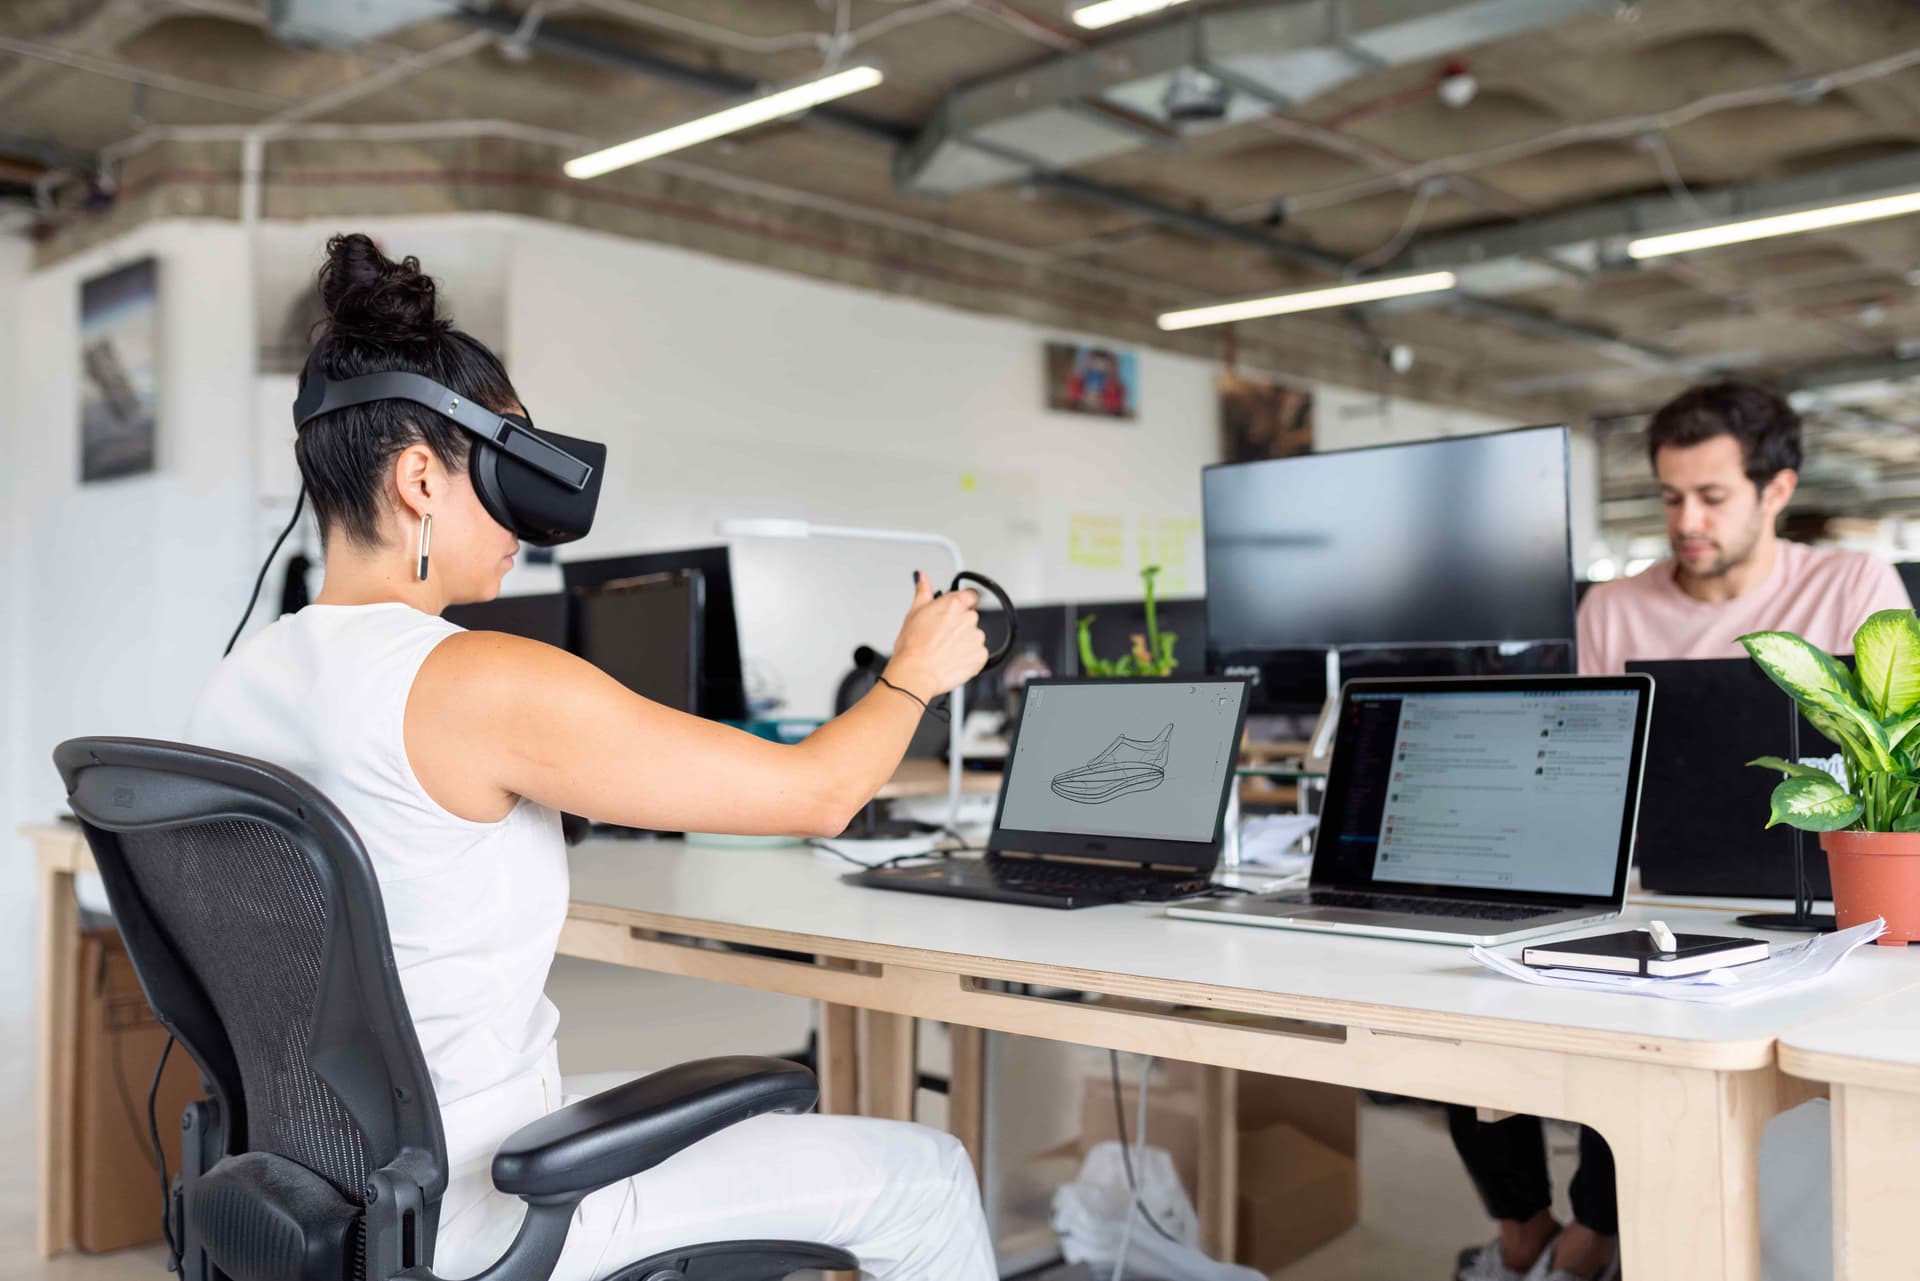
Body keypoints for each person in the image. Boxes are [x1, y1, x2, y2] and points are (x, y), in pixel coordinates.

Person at [188, 234, 997, 1281]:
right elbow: (826, 791)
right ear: (423, 477)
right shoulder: (476, 681)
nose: (525, 520)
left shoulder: (237, 682)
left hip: (328, 1184)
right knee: (924, 1175)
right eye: (503, 463)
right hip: (480, 1201)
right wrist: (914, 675)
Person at [1450, 381, 1911, 1281]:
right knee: (1470, 1006)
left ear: (1776, 490)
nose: (1685, 520)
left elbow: (1891, 767)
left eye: (1711, 496)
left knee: (1663, 1049)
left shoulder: (1852, 585)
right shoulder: (1611, 610)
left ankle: (1586, 1244)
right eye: (1669, 497)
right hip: (1652, 891)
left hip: (1811, 901)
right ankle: (1530, 1234)